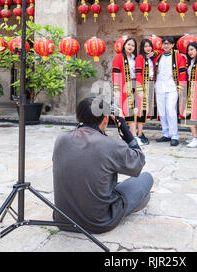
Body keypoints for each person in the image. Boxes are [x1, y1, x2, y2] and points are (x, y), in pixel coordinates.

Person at [52, 97, 153, 234]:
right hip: (99, 222)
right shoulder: (110, 144)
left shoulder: (61, 138)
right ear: (106, 118)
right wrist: (123, 127)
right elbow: (138, 163)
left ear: (78, 116)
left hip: (63, 219)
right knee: (146, 178)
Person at [154, 36, 187, 146]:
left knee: (170, 110)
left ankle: (174, 135)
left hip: (172, 87)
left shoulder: (178, 57)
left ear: (173, 45)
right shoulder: (158, 57)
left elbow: (182, 73)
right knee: (162, 111)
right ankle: (166, 133)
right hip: (159, 87)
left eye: (169, 43)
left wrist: (180, 88)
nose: (166, 45)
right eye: (164, 43)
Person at [112, 38, 143, 145]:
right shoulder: (119, 57)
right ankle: (123, 135)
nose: (130, 47)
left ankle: (134, 136)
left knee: (133, 111)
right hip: (124, 87)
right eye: (128, 44)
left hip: (135, 85)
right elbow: (115, 74)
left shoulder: (135, 58)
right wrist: (116, 90)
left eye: (133, 45)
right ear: (124, 45)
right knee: (123, 112)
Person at [135, 38, 158, 145]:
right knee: (140, 110)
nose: (148, 48)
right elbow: (138, 74)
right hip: (142, 86)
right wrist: (140, 89)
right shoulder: (140, 58)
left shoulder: (151, 57)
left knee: (144, 109)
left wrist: (155, 52)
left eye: (149, 46)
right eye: (145, 46)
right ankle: (138, 134)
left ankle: (139, 132)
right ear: (142, 48)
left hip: (150, 85)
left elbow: (161, 51)